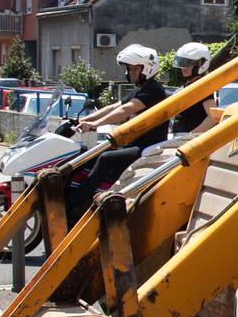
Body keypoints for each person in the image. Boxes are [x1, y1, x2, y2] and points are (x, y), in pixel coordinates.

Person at [64, 44, 168, 216]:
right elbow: (114, 107)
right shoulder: (140, 89)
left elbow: (125, 111)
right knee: (89, 153)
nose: (131, 72)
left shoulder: (154, 89)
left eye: (135, 69)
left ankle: (74, 204)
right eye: (129, 69)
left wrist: (96, 125)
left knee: (106, 158)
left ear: (147, 69)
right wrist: (84, 119)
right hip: (136, 143)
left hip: (149, 146)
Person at [168, 41, 222, 137]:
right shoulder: (189, 85)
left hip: (187, 138)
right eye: (182, 62)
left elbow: (213, 117)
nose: (183, 67)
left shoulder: (202, 86)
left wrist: (190, 136)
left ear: (201, 64)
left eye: (188, 63)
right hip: (179, 135)